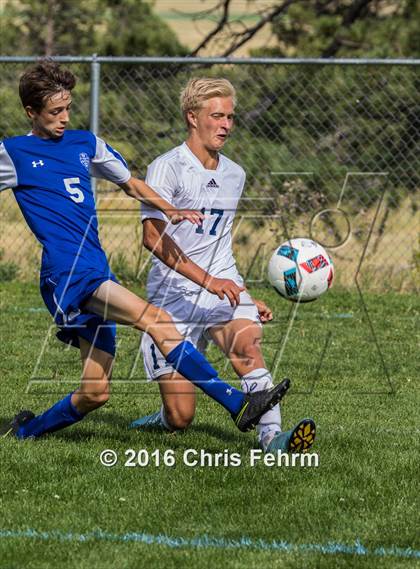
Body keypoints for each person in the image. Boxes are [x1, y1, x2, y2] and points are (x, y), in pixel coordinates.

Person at [0, 61, 290, 440]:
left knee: (95, 392)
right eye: (55, 112)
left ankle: (25, 433)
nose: (65, 117)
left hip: (96, 268)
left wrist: (171, 209)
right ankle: (238, 404)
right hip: (67, 273)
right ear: (31, 113)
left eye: (68, 107)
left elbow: (132, 184)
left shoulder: (85, 144)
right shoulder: (13, 153)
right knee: (158, 320)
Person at [130, 78, 316, 453]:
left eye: (230, 117)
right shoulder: (167, 168)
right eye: (217, 116)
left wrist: (241, 293)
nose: (226, 125)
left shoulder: (235, 173)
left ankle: (272, 439)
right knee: (182, 417)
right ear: (192, 117)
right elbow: (153, 239)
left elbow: (219, 245)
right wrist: (208, 280)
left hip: (220, 287)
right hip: (173, 295)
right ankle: (163, 417)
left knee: (246, 347)